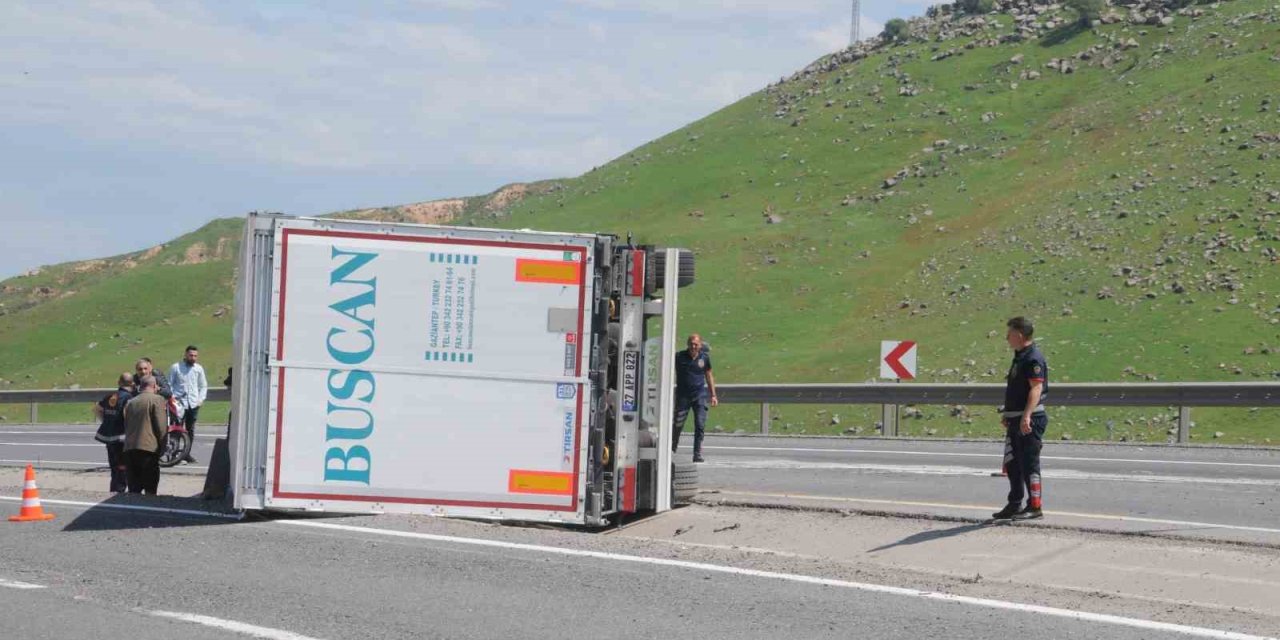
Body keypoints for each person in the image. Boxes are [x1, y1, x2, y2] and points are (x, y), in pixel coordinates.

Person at [992, 317, 1049, 521]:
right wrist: (1009, 415)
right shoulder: (1020, 356)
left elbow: (1036, 388)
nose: (1007, 337)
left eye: (1010, 333)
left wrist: (1026, 416)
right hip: (1015, 419)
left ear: (1019, 335)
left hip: (1031, 419)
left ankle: (1035, 506)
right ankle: (1014, 504)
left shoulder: (1033, 357)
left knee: (1029, 463)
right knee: (1013, 463)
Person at [671, 333, 717, 463]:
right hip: (683, 397)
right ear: (688, 344)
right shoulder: (679, 357)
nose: (693, 346)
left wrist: (713, 394)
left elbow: (709, 376)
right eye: (691, 343)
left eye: (696, 344)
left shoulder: (704, 358)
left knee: (700, 425)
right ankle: (671, 450)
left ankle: (697, 454)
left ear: (700, 345)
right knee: (677, 425)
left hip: (699, 396)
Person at [123, 375, 168, 495]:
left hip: (130, 448)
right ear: (154, 386)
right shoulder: (157, 400)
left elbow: (126, 424)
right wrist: (163, 446)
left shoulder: (130, 402)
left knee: (134, 490)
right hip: (148, 449)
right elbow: (161, 426)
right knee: (150, 489)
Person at [92, 373, 134, 492]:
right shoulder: (128, 398)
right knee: (122, 467)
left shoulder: (111, 396)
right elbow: (127, 416)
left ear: (119, 382)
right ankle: (119, 491)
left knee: (113, 466)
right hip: (121, 438)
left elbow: (97, 409)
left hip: (109, 437)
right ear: (132, 384)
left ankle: (113, 488)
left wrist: (106, 420)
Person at [168, 345, 208, 464]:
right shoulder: (176, 367)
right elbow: (169, 384)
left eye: (195, 356)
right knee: (176, 429)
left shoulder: (198, 369)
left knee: (190, 429)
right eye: (191, 355)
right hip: (179, 404)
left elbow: (203, 385)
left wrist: (200, 399)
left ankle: (186, 454)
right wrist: (172, 399)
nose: (193, 358)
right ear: (185, 354)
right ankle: (174, 454)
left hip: (193, 404)